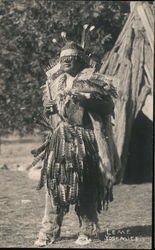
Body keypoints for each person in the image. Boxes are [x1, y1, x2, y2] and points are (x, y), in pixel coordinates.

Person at [33, 41, 120, 247]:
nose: (65, 62)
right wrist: (50, 108)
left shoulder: (93, 79)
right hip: (61, 139)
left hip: (86, 138)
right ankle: (50, 230)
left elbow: (108, 106)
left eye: (70, 58)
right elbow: (51, 113)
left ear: (80, 60)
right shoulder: (55, 83)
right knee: (55, 185)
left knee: (86, 184)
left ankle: (88, 228)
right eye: (62, 59)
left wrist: (84, 99)